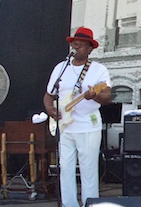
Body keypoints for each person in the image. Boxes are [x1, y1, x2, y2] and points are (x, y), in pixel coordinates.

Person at [43, 27, 112, 207]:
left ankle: (90, 204)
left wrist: (94, 95)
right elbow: (49, 95)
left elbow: (107, 97)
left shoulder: (98, 70)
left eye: (81, 45)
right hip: (65, 127)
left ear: (90, 49)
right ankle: (69, 204)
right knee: (65, 169)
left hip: (88, 126)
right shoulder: (61, 68)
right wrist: (50, 109)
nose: (76, 46)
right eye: (74, 44)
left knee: (88, 170)